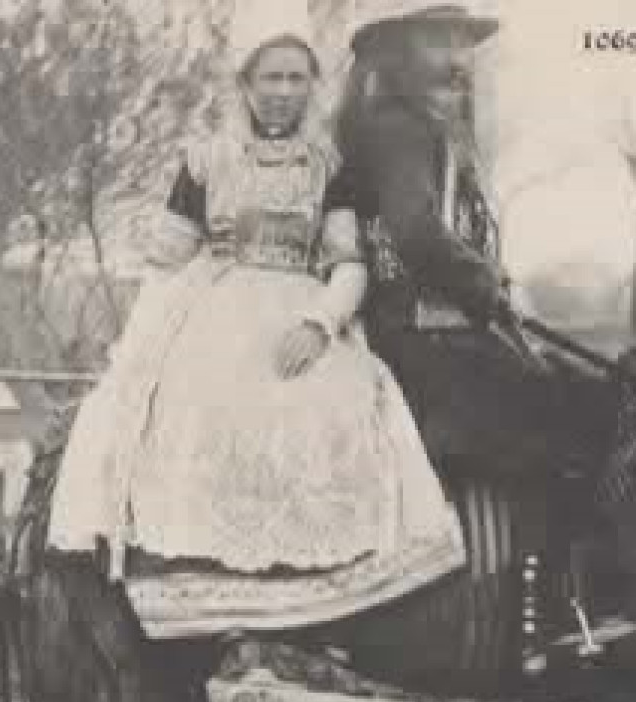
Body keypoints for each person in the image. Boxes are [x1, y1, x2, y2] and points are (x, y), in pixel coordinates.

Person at [46, 0, 466, 640]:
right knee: (185, 409)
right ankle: (188, 569)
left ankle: (309, 589)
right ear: (244, 83)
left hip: (299, 301)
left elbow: (348, 264)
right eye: (270, 78)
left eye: (297, 79)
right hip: (212, 302)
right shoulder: (206, 160)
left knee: (337, 406)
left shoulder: (329, 168)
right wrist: (152, 247)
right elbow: (176, 250)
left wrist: (319, 325)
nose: (283, 93)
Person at [334, 0, 633, 662]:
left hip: (452, 333)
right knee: (564, 426)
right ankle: (550, 612)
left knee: (597, 395)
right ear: (396, 53)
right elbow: (414, 234)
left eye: (462, 43)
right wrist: (482, 283)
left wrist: (491, 290)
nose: (455, 59)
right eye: (437, 41)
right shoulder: (396, 130)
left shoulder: (431, 132)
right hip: (421, 342)